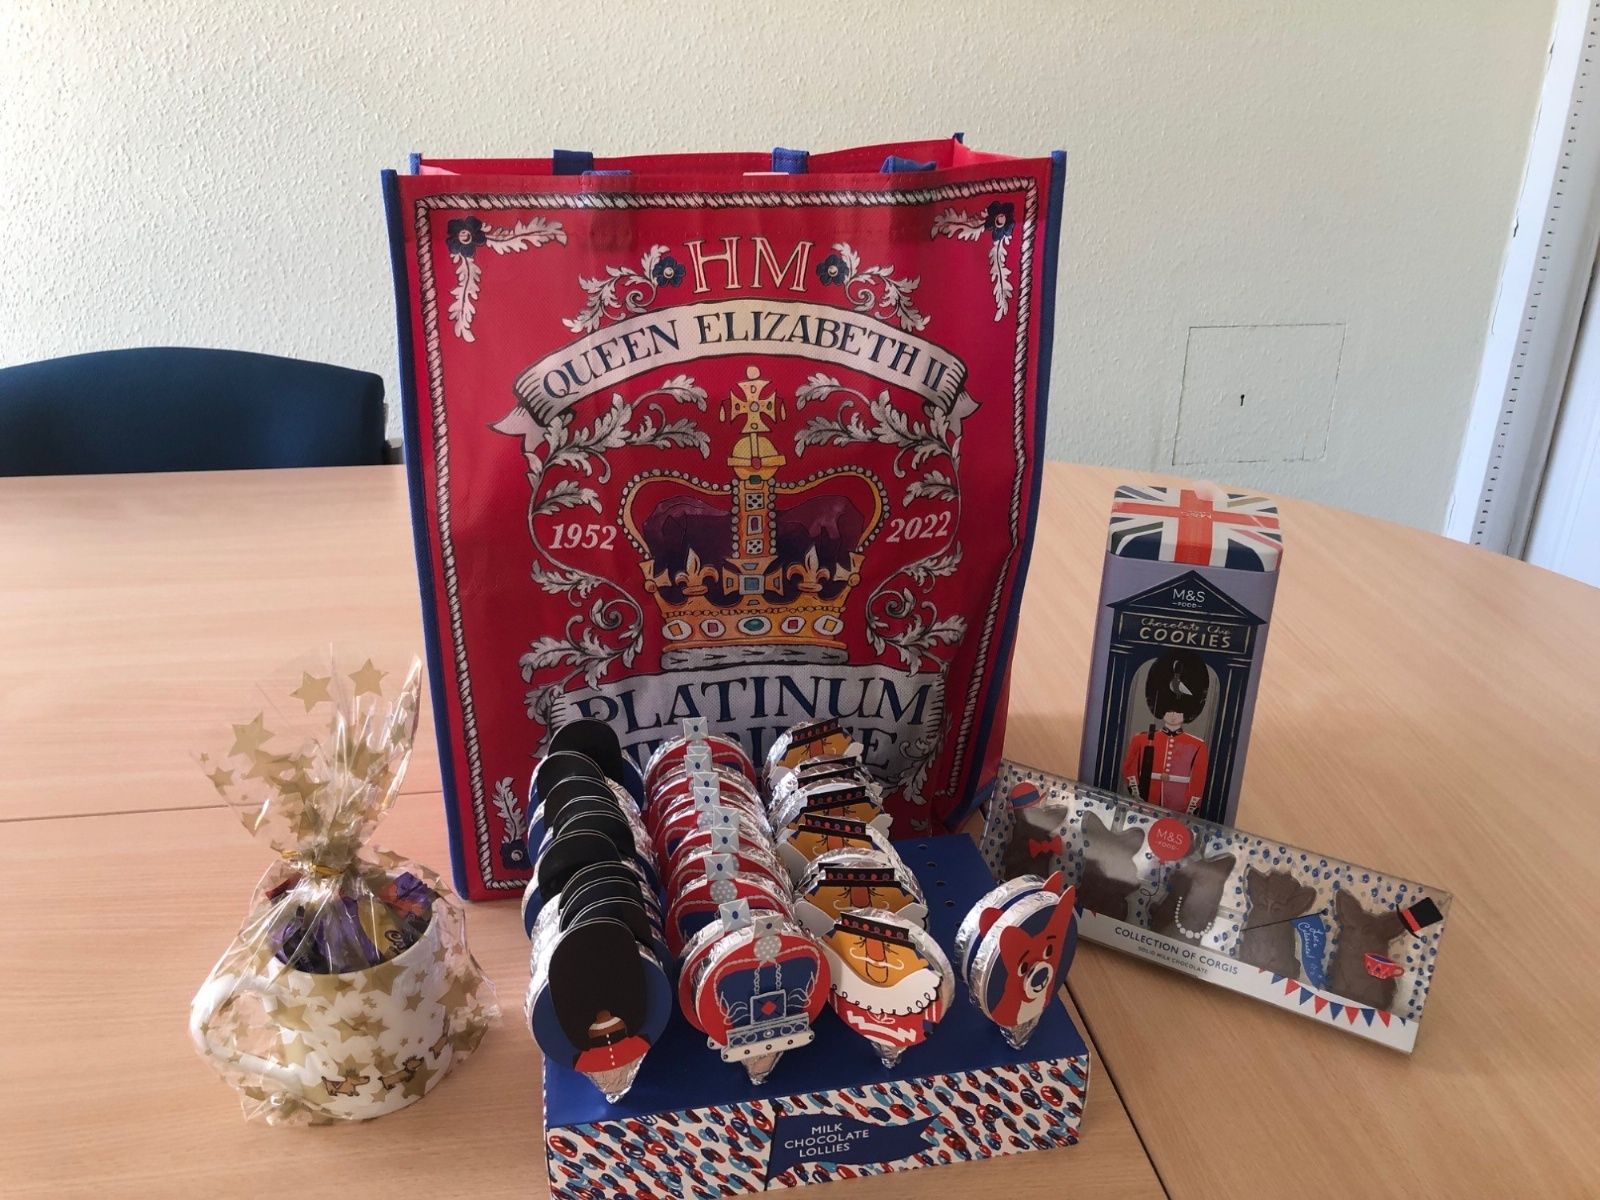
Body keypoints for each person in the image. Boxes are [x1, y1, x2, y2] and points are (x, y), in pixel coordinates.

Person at [1121, 650, 1210, 813]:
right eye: (1169, 711)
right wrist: (1136, 791)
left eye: (1178, 712)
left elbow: (1198, 778)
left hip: (1179, 800)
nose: (1173, 716)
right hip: (1148, 794)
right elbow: (1130, 767)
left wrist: (1191, 805)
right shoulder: (1141, 739)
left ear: (1186, 713)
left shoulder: (1197, 745)